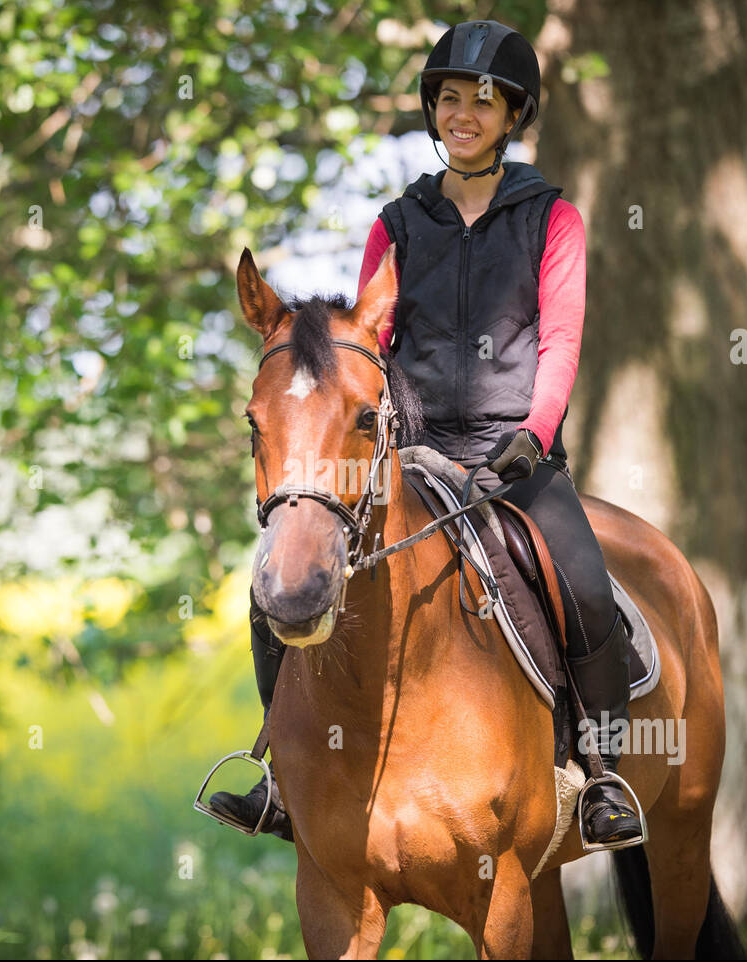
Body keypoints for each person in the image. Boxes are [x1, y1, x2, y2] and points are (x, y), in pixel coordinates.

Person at [209, 19, 642, 849]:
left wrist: (534, 432)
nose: (462, 114)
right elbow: (371, 335)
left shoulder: (552, 220)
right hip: (410, 451)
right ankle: (279, 777)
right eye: (448, 98)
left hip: (515, 455)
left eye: (482, 100)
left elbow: (561, 341)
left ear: (513, 114)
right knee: (280, 580)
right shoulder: (398, 223)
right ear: (433, 111)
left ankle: (602, 776)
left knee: (584, 583)